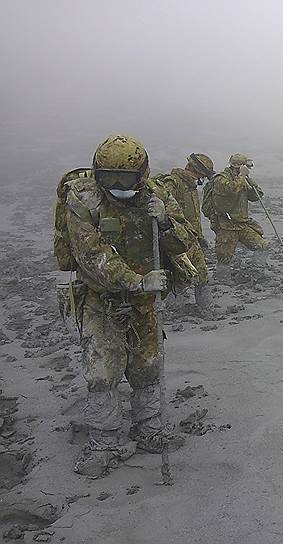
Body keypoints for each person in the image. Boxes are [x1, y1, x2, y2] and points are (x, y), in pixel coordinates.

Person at [62, 134, 193, 477]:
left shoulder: (157, 196)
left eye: (127, 178)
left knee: (147, 367)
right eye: (110, 178)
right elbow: (90, 255)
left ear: (142, 173)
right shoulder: (83, 199)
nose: (119, 185)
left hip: (146, 302)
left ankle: (148, 427)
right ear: (97, 174)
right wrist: (137, 281)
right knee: (102, 372)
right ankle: (103, 442)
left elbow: (185, 242)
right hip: (102, 299)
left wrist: (165, 221)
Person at [156, 153, 215, 314]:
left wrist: (200, 237)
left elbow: (193, 217)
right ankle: (174, 310)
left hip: (191, 239)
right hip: (176, 241)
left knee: (202, 273)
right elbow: (163, 209)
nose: (202, 179)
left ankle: (206, 308)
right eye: (202, 175)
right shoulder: (173, 183)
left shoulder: (191, 187)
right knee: (181, 276)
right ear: (195, 171)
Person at [207, 154, 268, 283]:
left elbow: (257, 196)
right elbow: (230, 189)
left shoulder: (243, 179)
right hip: (226, 225)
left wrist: (250, 184)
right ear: (236, 166)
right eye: (244, 166)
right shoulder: (221, 178)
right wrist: (242, 177)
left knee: (262, 245)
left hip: (242, 224)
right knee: (224, 257)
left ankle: (256, 271)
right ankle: (222, 280)